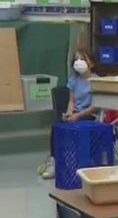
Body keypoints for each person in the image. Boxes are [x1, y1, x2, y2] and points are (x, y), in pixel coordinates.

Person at [39, 48, 101, 179]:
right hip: (76, 113)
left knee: (79, 129)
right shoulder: (74, 80)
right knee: (56, 128)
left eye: (83, 59)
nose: (79, 62)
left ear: (92, 63)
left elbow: (95, 106)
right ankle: (54, 161)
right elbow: (72, 100)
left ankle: (82, 165)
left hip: (89, 115)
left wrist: (77, 116)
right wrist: (69, 113)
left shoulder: (97, 82)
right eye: (76, 59)